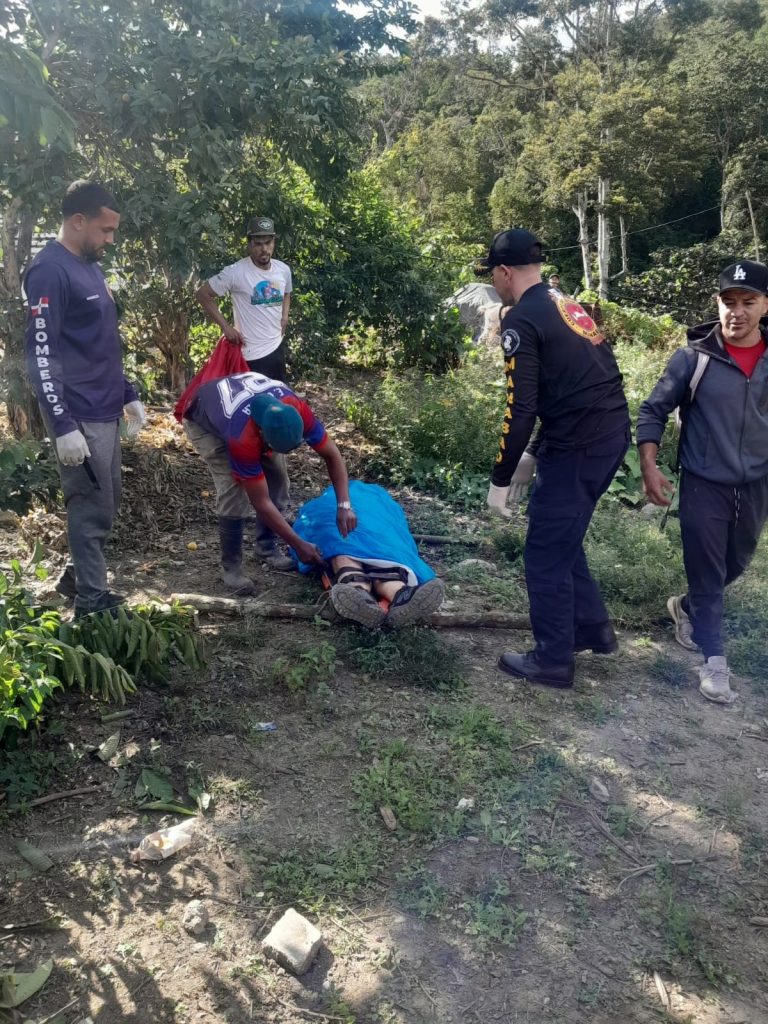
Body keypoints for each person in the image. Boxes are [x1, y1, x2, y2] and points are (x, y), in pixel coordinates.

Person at [480, 229, 630, 689]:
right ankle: (591, 629)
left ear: (505, 271)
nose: (493, 283)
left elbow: (520, 406)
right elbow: (574, 383)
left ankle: (551, 661)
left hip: (579, 446)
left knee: (545, 550)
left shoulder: (523, 319)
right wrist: (533, 451)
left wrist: (501, 477)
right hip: (608, 434)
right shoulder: (565, 303)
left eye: (492, 275)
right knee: (563, 536)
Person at [637, 260, 768, 705]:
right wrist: (649, 466)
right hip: (703, 482)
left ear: (764, 305)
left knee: (737, 563)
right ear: (718, 303)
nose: (737, 311)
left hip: (755, 483)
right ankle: (714, 661)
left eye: (748, 302)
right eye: (728, 301)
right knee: (708, 572)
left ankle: (688, 607)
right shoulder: (694, 359)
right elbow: (652, 409)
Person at [23, 180, 147, 617]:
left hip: (106, 406)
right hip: (78, 412)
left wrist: (128, 393)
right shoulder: (49, 271)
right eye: (105, 230)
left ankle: (75, 578)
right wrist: (62, 425)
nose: (110, 240)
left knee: (107, 501)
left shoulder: (89, 266)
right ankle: (93, 603)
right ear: (79, 221)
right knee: (91, 507)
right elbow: (41, 354)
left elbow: (101, 339)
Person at [182, 371, 356, 595]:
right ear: (262, 433)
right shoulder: (242, 437)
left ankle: (266, 547)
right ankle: (231, 567)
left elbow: (332, 455)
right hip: (204, 420)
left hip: (249, 411)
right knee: (234, 491)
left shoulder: (296, 409)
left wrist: (344, 505)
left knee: (278, 479)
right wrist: (298, 544)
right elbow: (260, 501)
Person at [195, 216, 293, 567]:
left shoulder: (282, 270)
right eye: (257, 242)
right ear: (249, 243)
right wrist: (226, 327)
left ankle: (266, 544)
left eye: (268, 241)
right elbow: (203, 294)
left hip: (275, 358)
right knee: (249, 448)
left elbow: (287, 292)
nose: (263, 248)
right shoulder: (236, 272)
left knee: (275, 456)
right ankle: (237, 553)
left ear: (274, 242)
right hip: (247, 363)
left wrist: (284, 316)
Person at [292, 481, 445, 628]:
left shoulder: (322, 502)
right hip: (375, 533)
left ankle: (359, 592)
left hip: (343, 526)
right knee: (382, 559)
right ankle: (401, 595)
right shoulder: (378, 499)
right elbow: (395, 524)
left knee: (341, 551)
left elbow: (309, 525)